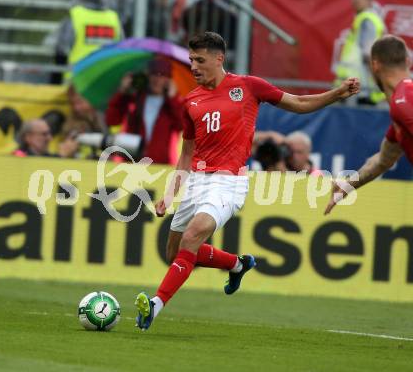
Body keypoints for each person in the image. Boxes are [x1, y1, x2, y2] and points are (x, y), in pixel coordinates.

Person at [134, 31, 360, 331]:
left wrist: (336, 94)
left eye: (200, 60)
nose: (194, 67)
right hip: (197, 181)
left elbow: (298, 102)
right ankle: (238, 264)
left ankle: (155, 305)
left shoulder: (247, 87)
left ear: (219, 59)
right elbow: (186, 153)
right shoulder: (190, 101)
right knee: (174, 254)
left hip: (229, 182)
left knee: (193, 236)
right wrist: (170, 193)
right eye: (191, 60)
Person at [325, 35, 412, 215]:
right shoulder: (400, 112)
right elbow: (382, 161)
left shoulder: (403, 100)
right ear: (407, 61)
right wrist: (348, 185)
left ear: (374, 65)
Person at [105, 58, 185, 165]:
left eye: (162, 75)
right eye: (154, 74)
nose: (157, 79)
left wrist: (173, 99)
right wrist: (122, 93)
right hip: (132, 162)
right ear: (147, 77)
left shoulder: (172, 104)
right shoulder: (134, 99)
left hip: (160, 164)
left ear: (169, 80)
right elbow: (112, 120)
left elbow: (181, 125)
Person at [51, 0, 123, 83]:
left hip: (77, 81)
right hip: (106, 80)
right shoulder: (114, 18)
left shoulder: (75, 16)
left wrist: (55, 83)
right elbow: (122, 49)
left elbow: (61, 51)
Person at [335, 0, 385, 105]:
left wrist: (379, 82)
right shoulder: (366, 18)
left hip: (359, 88)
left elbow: (367, 54)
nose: (355, 0)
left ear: (370, 0)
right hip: (357, 85)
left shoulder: (367, 20)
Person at [13, 119, 78, 158]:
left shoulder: (47, 156)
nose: (50, 138)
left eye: (49, 133)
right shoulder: (18, 156)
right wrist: (61, 156)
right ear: (28, 137)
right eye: (44, 134)